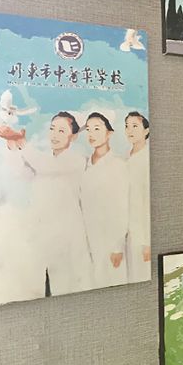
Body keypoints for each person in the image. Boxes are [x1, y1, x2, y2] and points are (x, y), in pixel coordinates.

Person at [0, 112, 91, 300]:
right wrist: (12, 145)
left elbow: (44, 166)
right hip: (44, 237)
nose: (55, 134)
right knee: (43, 291)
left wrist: (22, 141)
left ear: (74, 136)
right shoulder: (44, 161)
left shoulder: (75, 160)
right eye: (52, 129)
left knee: (68, 292)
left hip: (67, 238)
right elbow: (22, 173)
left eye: (62, 131)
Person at [80, 112, 129, 288]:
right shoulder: (84, 165)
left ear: (109, 133)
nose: (91, 134)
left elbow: (122, 207)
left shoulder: (118, 165)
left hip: (110, 241)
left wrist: (117, 246)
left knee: (113, 284)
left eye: (97, 128)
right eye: (88, 129)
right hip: (88, 239)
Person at [124, 111, 151, 283]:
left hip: (143, 231)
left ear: (146, 130)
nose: (130, 130)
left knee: (142, 276)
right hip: (128, 230)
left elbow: (147, 200)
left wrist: (147, 241)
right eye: (127, 126)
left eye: (135, 126)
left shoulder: (147, 159)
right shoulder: (126, 158)